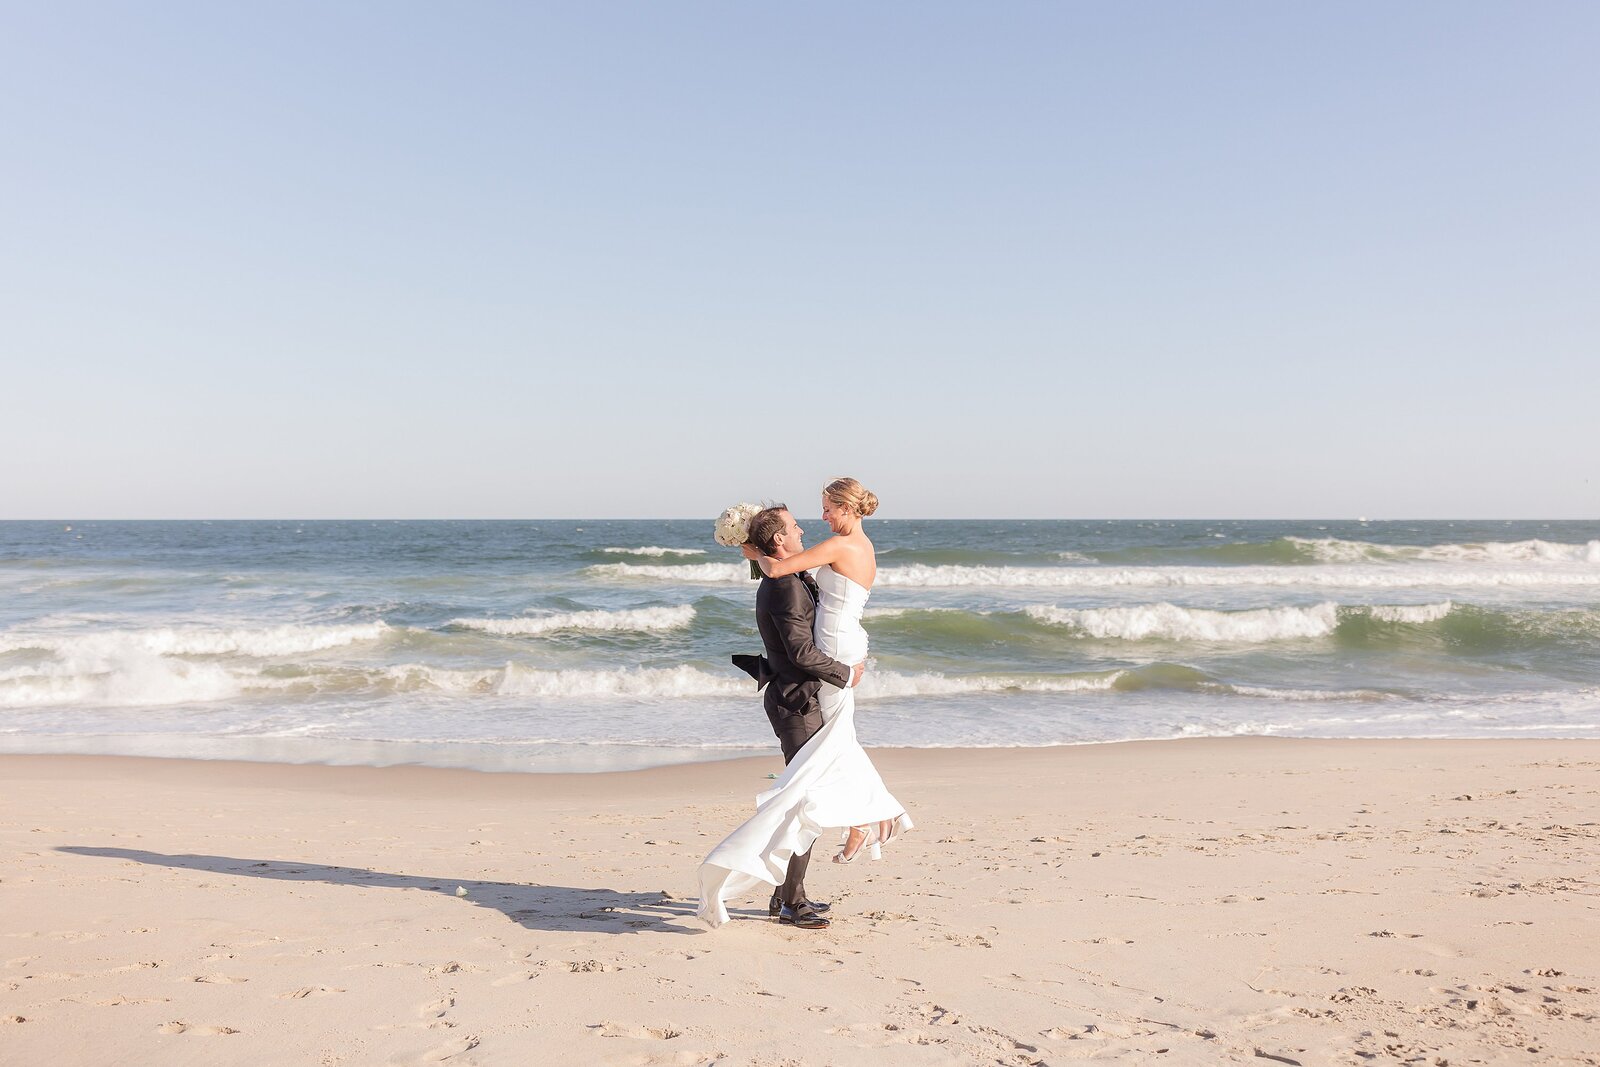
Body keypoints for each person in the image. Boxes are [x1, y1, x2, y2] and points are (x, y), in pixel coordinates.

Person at [696, 479, 912, 929]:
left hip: (818, 675)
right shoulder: (788, 583)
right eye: (796, 526)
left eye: (825, 510)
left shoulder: (805, 570)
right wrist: (846, 672)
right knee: (807, 790)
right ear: (779, 539)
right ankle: (803, 886)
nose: (812, 525)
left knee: (819, 774)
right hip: (803, 691)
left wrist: (758, 553)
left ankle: (861, 825)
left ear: (844, 507)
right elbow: (798, 651)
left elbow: (787, 577)